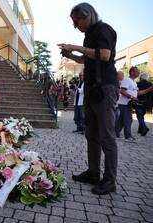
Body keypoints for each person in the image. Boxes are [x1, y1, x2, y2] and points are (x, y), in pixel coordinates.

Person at [58, 2, 119, 195]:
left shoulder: (104, 30)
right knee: (91, 134)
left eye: (76, 22)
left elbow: (105, 55)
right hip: (92, 89)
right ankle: (93, 173)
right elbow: (87, 59)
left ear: (87, 16)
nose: (75, 26)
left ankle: (110, 181)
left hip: (105, 89)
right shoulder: (89, 36)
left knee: (107, 137)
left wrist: (77, 47)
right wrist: (72, 55)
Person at [116, 67, 153, 141]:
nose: (138, 73)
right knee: (128, 120)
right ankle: (128, 137)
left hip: (128, 104)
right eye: (137, 71)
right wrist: (131, 97)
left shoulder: (134, 82)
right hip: (124, 104)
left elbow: (138, 93)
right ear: (132, 72)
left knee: (121, 121)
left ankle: (114, 133)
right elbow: (122, 91)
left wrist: (148, 90)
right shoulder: (127, 80)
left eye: (138, 72)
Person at [115, 71, 124, 136]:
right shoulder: (114, 83)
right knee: (115, 118)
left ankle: (116, 131)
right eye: (122, 75)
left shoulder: (123, 83)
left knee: (119, 118)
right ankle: (115, 132)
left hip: (121, 104)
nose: (123, 76)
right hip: (115, 104)